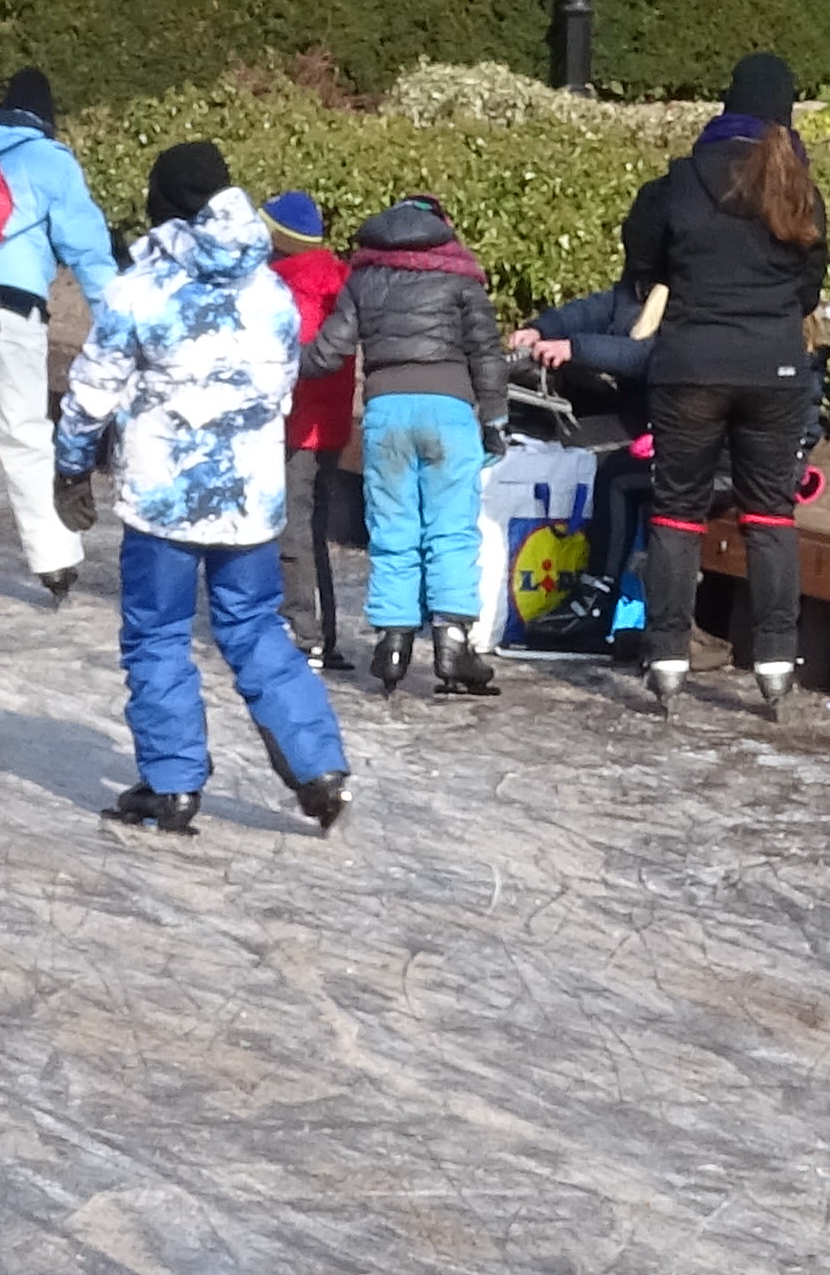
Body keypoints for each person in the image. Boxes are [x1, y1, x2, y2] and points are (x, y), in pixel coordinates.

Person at [54, 141, 350, 839]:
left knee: (157, 632)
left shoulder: (140, 290)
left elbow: (93, 389)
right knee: (252, 626)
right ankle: (320, 767)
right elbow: (281, 383)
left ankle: (172, 783)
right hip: (249, 498)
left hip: (163, 497)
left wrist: (71, 464)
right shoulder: (270, 291)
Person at [615, 53, 830, 718]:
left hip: (689, 366)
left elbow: (640, 263)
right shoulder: (800, 189)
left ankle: (668, 657)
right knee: (769, 514)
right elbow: (809, 288)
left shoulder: (678, 184)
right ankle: (774, 661)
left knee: (677, 512)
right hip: (774, 369)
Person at [305, 192, 511, 696]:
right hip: (450, 411)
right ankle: (452, 644)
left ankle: (393, 644)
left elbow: (327, 353)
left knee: (393, 527)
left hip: (387, 413)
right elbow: (485, 351)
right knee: (451, 530)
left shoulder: (364, 277)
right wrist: (495, 418)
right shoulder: (460, 274)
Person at [0, 68, 117, 602]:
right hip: (14, 305)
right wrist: (118, 320)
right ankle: (54, 560)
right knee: (23, 430)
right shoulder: (50, 161)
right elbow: (86, 248)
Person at [263, 191, 360, 662]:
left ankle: (302, 629)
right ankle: (322, 631)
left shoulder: (294, 285)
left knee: (294, 526)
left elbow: (292, 360)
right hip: (330, 422)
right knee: (312, 524)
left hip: (299, 423)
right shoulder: (333, 278)